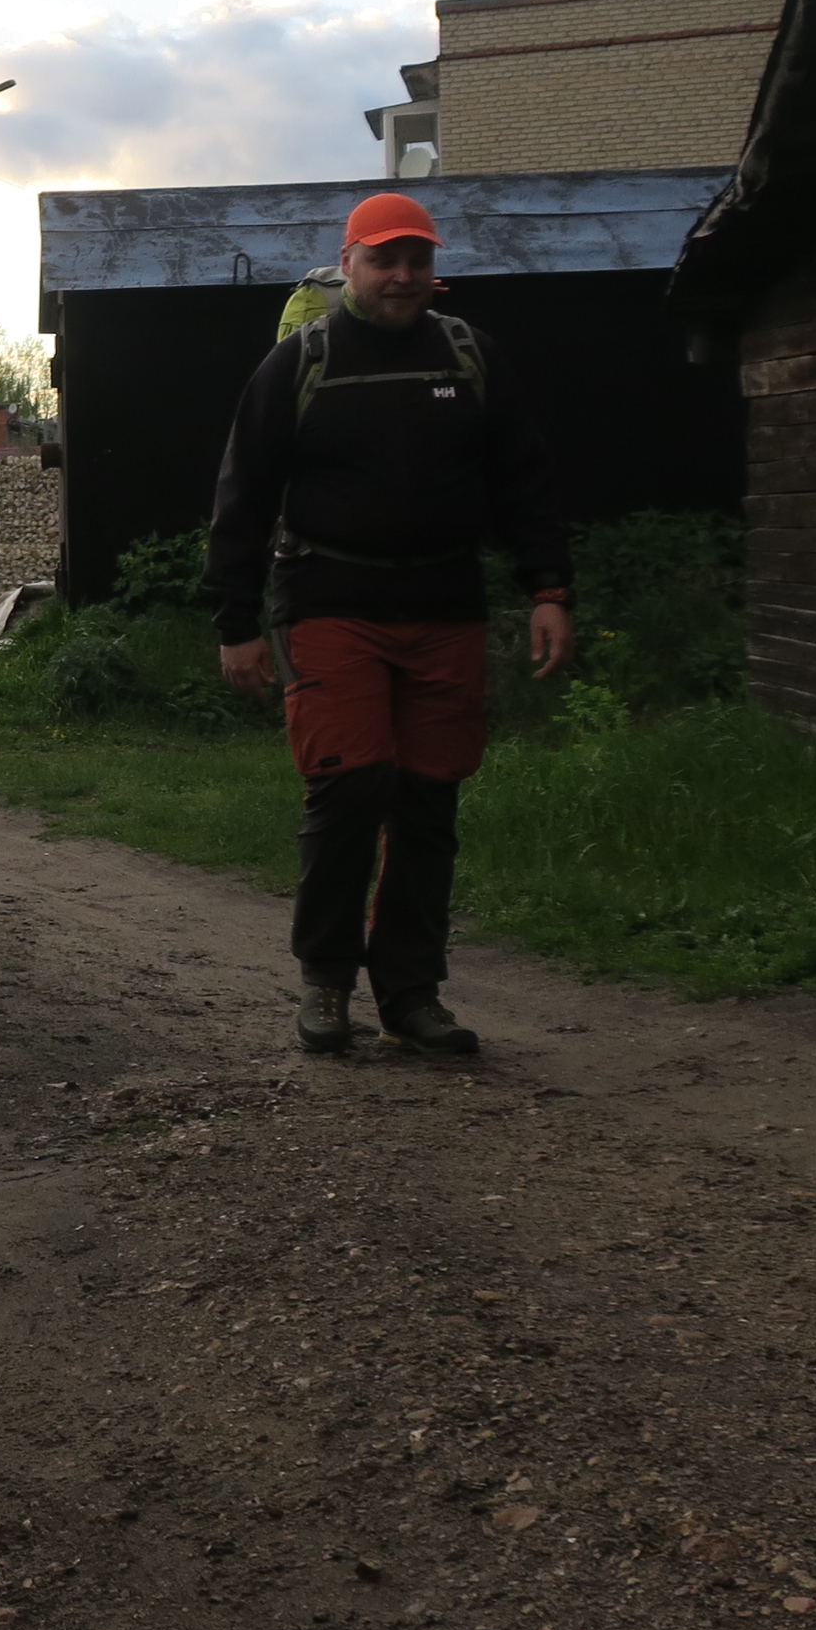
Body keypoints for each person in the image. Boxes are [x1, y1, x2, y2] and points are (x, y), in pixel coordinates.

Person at [205, 189, 572, 1060]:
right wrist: (236, 623)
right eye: (385, 260)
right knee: (350, 786)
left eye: (418, 259)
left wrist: (549, 590)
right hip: (330, 601)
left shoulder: (470, 357)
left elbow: (524, 480)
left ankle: (411, 994)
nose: (403, 275)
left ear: (434, 268)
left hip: (445, 605)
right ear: (350, 265)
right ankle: (327, 981)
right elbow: (242, 498)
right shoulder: (301, 363)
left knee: (429, 797)